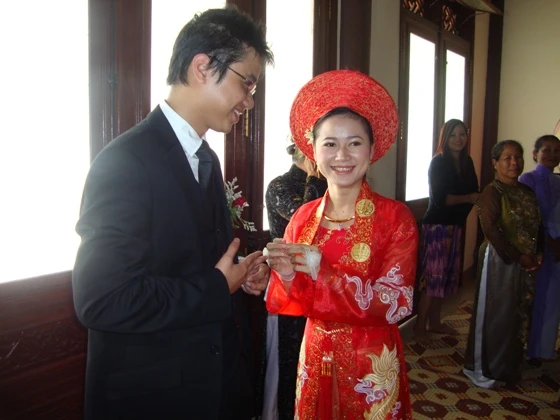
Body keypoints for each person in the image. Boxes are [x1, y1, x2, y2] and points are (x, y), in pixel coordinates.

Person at [72, 7, 273, 420]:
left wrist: (239, 274)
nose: (250, 101)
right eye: (247, 83)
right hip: (155, 397)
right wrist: (218, 286)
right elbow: (102, 299)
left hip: (213, 383)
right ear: (203, 67)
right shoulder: (126, 162)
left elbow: (187, 261)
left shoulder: (205, 158)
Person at [265, 70, 418, 419]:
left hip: (371, 362)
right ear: (314, 151)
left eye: (355, 143)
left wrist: (324, 273)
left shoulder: (395, 218)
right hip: (315, 351)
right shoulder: (303, 218)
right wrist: (286, 275)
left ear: (372, 150)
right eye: (330, 144)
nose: (342, 155)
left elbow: (396, 302)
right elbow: (292, 300)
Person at [463, 140, 543, 388]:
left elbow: (537, 224)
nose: (514, 162)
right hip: (499, 259)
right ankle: (485, 369)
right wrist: (519, 256)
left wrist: (538, 252)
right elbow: (491, 229)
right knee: (496, 313)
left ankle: (509, 365)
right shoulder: (492, 192)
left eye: (518, 157)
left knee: (518, 313)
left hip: (525, 260)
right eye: (507, 158)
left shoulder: (526, 191)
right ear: (495, 163)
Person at [262, 140, 327, 419]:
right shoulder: (280, 186)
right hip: (287, 286)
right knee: (291, 361)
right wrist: (313, 178)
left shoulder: (331, 186)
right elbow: (308, 220)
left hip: (325, 286)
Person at [414, 119, 479, 340]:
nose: (458, 139)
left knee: (444, 278)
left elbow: (475, 192)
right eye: (453, 135)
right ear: (445, 137)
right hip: (437, 228)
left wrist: (470, 198)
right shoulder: (438, 162)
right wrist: (468, 198)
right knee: (433, 278)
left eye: (462, 134)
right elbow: (441, 200)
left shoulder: (467, 161)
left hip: (455, 226)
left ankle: (435, 323)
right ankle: (419, 327)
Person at [519, 135, 560, 362]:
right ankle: (530, 349)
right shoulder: (528, 179)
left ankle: (545, 348)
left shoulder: (558, 181)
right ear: (535, 154)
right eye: (547, 150)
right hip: (537, 249)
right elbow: (528, 217)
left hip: (557, 248)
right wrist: (546, 242)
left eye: (557, 150)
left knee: (553, 299)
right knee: (533, 300)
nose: (552, 154)